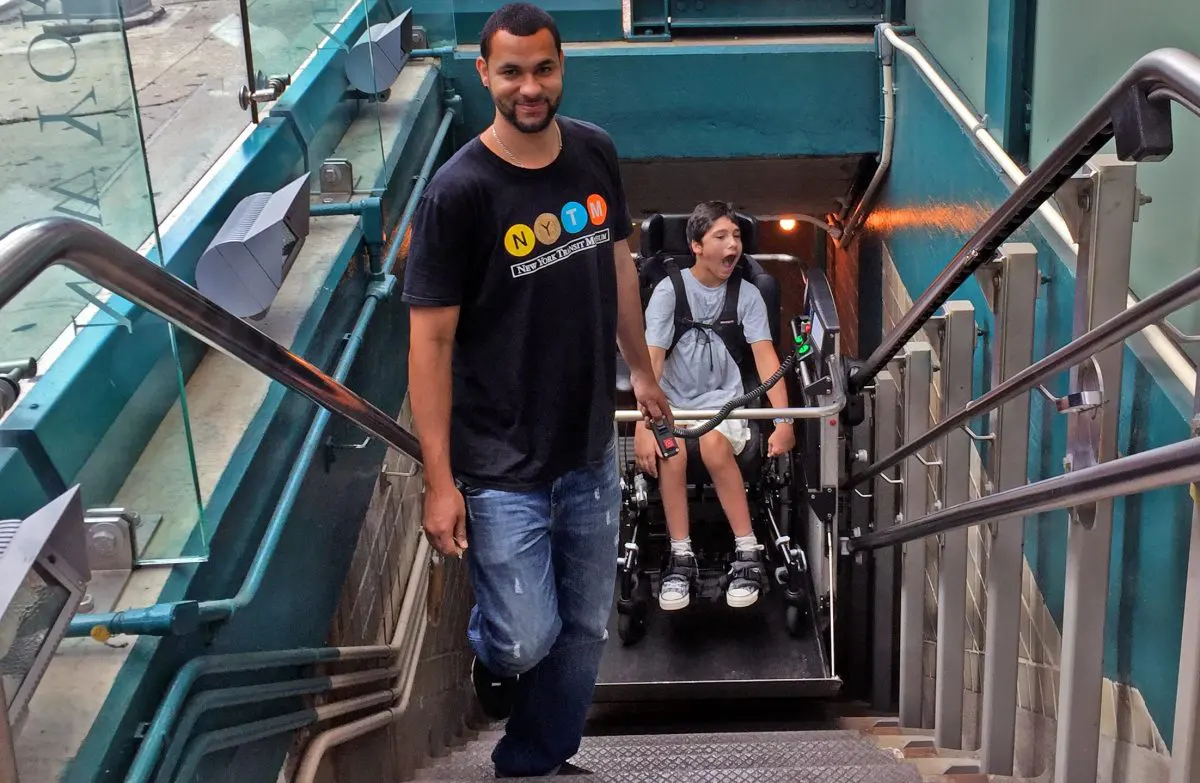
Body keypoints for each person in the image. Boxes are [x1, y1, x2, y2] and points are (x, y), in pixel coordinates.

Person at [401, 3, 671, 778]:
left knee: (584, 627)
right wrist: (439, 479)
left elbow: (618, 266)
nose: (530, 87)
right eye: (511, 71)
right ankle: (494, 649)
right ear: (483, 73)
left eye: (543, 68)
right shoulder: (459, 193)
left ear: (562, 67)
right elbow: (432, 340)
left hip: (588, 448)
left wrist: (643, 373)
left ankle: (535, 758)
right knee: (525, 636)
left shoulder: (595, 153)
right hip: (499, 463)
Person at [633, 201, 796, 612]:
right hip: (671, 402)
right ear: (697, 246)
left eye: (737, 237)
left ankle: (747, 552)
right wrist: (641, 427)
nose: (733, 245)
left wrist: (783, 421)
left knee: (713, 444)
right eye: (721, 237)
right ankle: (680, 556)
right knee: (671, 450)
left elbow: (765, 359)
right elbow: (650, 361)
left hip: (725, 400)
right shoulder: (669, 291)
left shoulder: (749, 294)